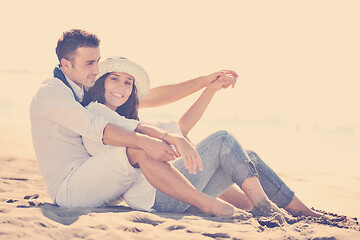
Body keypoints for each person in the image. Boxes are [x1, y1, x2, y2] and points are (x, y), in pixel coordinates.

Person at [29, 29, 244, 218]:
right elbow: (99, 130)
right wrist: (147, 142)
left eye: (97, 61)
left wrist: (204, 82)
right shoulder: (52, 93)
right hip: (70, 188)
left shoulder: (84, 88)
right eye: (89, 63)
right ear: (66, 64)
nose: (96, 69)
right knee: (137, 149)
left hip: (100, 180)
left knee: (187, 146)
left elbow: (153, 96)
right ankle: (204, 203)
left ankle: (251, 204)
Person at [82, 55, 321, 218]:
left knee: (251, 158)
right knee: (223, 139)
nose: (121, 87)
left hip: (170, 193)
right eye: (114, 79)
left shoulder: (130, 121)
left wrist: (210, 90)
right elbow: (172, 135)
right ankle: (262, 206)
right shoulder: (97, 112)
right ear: (101, 82)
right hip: (157, 198)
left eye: (127, 82)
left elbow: (181, 127)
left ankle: (303, 211)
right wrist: (176, 139)